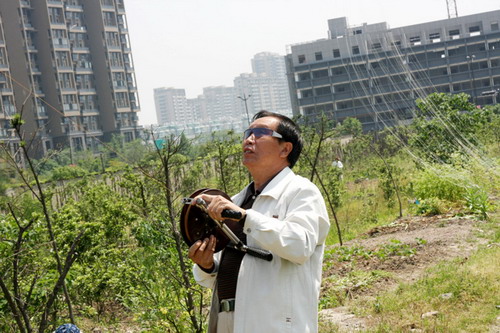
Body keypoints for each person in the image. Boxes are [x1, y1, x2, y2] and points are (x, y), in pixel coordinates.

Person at [188, 110, 330, 333]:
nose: (249, 139)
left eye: (260, 132)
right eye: (248, 132)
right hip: (228, 319)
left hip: (273, 323)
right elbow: (216, 274)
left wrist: (245, 217)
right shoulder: (236, 200)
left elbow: (300, 245)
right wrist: (206, 264)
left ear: (285, 148)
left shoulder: (301, 192)